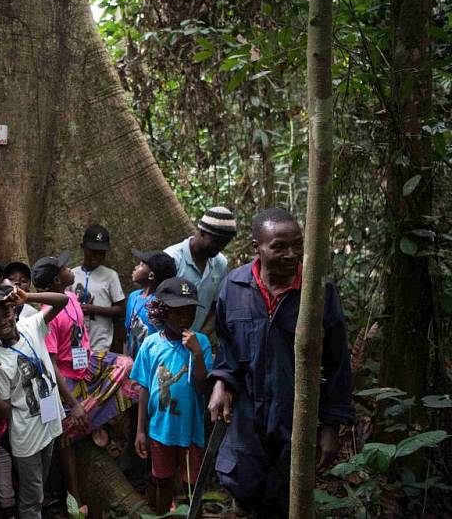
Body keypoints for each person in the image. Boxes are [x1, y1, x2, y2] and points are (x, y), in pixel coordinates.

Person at [207, 208, 354, 517]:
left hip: (294, 412)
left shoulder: (319, 291)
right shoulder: (234, 286)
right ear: (256, 248)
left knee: (283, 492)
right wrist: (221, 381)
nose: (292, 254)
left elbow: (338, 361)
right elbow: (227, 345)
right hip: (247, 409)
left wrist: (331, 424)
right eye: (279, 246)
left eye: (298, 245)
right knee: (240, 480)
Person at [33, 252, 137, 505]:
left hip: (89, 364)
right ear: (57, 280)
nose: (72, 269)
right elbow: (52, 366)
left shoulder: (71, 297)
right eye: (65, 268)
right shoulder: (49, 314)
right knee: (66, 439)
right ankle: (75, 498)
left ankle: (89, 416)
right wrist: (74, 402)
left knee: (128, 368)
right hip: (68, 378)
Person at [0, 286, 84, 519]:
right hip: (26, 435)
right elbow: (4, 411)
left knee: (38, 489)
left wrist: (29, 297)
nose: (1, 321)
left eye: (5, 313)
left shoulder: (30, 326)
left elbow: (63, 300)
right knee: (32, 496)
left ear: (14, 311)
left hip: (50, 421)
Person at [130, 278, 213, 515]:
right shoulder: (150, 344)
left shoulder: (202, 343)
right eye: (178, 313)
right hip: (160, 431)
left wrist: (196, 354)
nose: (185, 319)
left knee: (192, 487)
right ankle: (162, 513)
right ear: (164, 312)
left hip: (191, 431)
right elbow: (144, 389)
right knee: (162, 481)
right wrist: (140, 431)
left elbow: (200, 386)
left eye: (189, 313)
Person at [164, 207, 237, 335]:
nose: (220, 247)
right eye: (216, 242)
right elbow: (156, 305)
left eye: (225, 243)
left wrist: (200, 338)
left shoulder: (220, 263)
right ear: (202, 232)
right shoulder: (172, 258)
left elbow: (217, 306)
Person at [69, 225, 125, 353]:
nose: (97, 256)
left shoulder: (110, 276)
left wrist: (94, 309)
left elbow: (121, 309)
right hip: (74, 341)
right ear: (83, 247)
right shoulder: (72, 275)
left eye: (101, 252)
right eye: (92, 251)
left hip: (101, 342)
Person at [124, 250, 177, 359]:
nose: (135, 267)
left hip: (153, 360)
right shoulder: (133, 296)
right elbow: (127, 332)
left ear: (151, 275)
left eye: (141, 265)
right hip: (131, 360)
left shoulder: (161, 302)